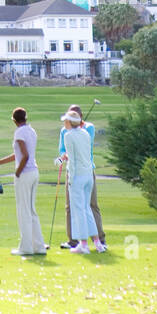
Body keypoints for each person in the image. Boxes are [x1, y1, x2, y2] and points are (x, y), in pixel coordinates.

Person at [0, 107, 46, 257]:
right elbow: (18, 154)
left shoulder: (19, 132)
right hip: (34, 172)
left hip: (25, 174)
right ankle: (39, 246)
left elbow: (24, 156)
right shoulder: (31, 131)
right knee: (32, 210)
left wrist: (17, 172)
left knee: (24, 211)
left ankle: (26, 248)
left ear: (14, 120)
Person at [56, 104, 106, 249]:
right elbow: (64, 152)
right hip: (87, 174)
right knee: (85, 209)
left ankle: (83, 244)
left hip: (77, 175)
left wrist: (70, 180)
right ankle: (97, 244)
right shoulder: (82, 133)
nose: (64, 123)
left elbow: (71, 159)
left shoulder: (70, 134)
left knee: (80, 209)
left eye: (66, 120)